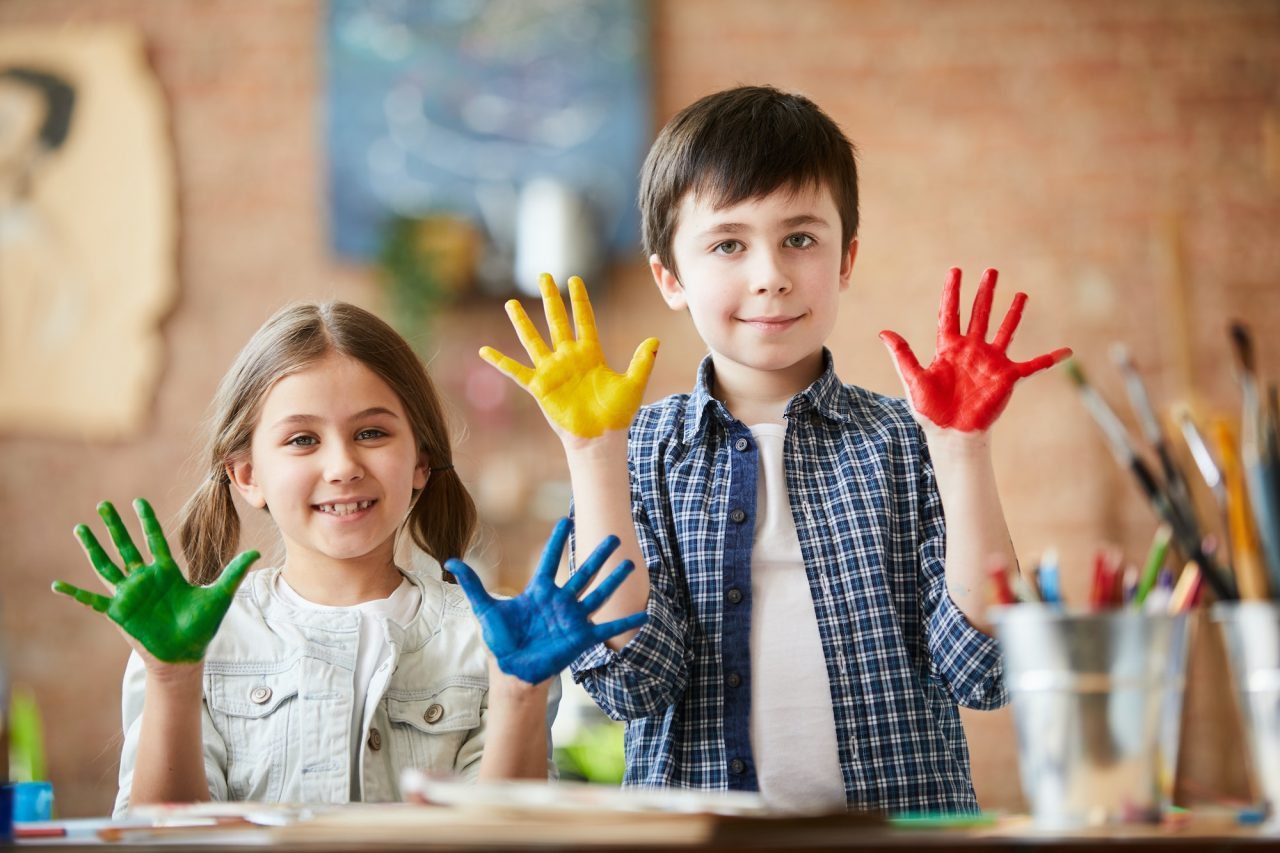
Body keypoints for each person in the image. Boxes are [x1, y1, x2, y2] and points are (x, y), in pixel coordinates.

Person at [480, 86, 1070, 814]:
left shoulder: (901, 440)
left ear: (846, 258)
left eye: (800, 238)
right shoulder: (640, 451)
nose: (771, 273)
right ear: (670, 276)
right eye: (729, 243)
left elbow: (982, 667)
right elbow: (633, 679)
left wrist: (961, 447)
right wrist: (594, 449)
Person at [52, 300, 645, 815]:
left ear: (419, 462)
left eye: (371, 433)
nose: (342, 466)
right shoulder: (191, 642)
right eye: (302, 439)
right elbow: (158, 839)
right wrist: (171, 677)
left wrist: (518, 693)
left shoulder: (486, 639)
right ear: (247, 474)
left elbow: (505, 843)